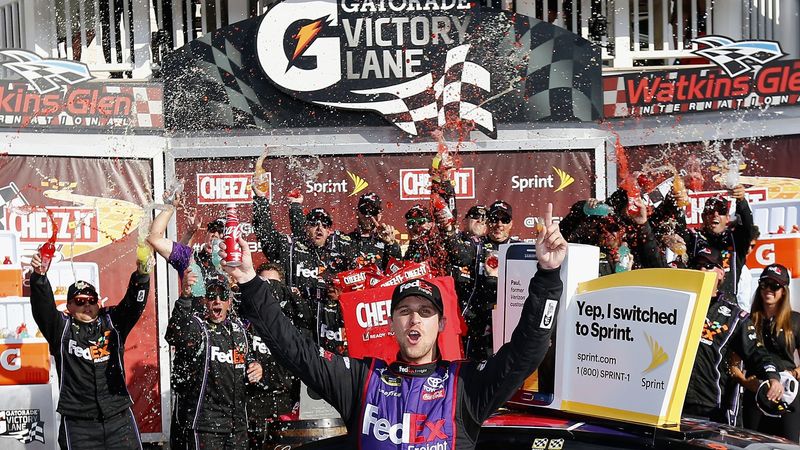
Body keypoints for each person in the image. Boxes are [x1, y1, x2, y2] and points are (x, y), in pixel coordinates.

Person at [220, 203, 566, 450]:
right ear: (391, 323)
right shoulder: (361, 379)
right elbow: (294, 350)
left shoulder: (466, 384)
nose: (415, 318)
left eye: (425, 312)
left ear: (441, 324)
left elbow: (528, 349)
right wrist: (250, 281)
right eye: (405, 311)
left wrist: (548, 276)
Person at [29, 250, 150, 449]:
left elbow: (134, 304)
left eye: (91, 300)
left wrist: (142, 275)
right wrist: (39, 277)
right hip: (78, 424)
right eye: (80, 301)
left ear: (98, 303)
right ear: (68, 306)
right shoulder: (61, 329)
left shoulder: (113, 322)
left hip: (118, 419)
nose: (87, 305)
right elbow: (42, 308)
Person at [682, 244, 783, 425]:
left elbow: (756, 352)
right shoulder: (677, 305)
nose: (702, 270)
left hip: (710, 408)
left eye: (708, 266)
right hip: (671, 403)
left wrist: (772, 377)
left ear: (721, 273)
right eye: (698, 266)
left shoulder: (735, 316)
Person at [166, 275, 264, 450]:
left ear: (229, 303)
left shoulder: (239, 329)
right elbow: (175, 335)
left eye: (223, 296)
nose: (217, 301)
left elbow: (248, 361)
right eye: (212, 296)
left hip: (237, 425)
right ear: (205, 301)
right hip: (205, 425)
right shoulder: (197, 326)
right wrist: (185, 298)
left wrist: (256, 367)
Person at [442, 200, 520, 360]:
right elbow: (459, 255)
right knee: (474, 365)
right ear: (488, 222)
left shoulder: (518, 249)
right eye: (494, 219)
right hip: (478, 318)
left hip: (508, 317)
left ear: (511, 224)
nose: (499, 224)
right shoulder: (477, 245)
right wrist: (448, 230)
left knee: (505, 364)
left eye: (504, 220)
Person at [732, 264, 800, 440]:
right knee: (755, 443)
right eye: (764, 284)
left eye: (775, 285)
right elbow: (732, 364)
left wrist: (792, 373)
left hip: (788, 393)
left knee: (788, 444)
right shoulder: (746, 321)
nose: (768, 289)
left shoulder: (795, 320)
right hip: (756, 393)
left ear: (783, 290)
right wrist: (746, 382)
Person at [680, 185, 753, 299]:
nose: (715, 215)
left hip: (726, 305)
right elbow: (677, 226)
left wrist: (741, 201)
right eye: (711, 211)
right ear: (703, 217)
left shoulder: (735, 241)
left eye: (721, 211)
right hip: (697, 300)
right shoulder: (694, 239)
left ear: (728, 218)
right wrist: (679, 199)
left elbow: (747, 226)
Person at [347, 192, 402, 270]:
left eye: (373, 211)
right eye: (365, 210)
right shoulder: (346, 242)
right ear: (357, 212)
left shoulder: (385, 242)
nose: (369, 216)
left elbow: (397, 271)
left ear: (380, 215)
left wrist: (391, 244)